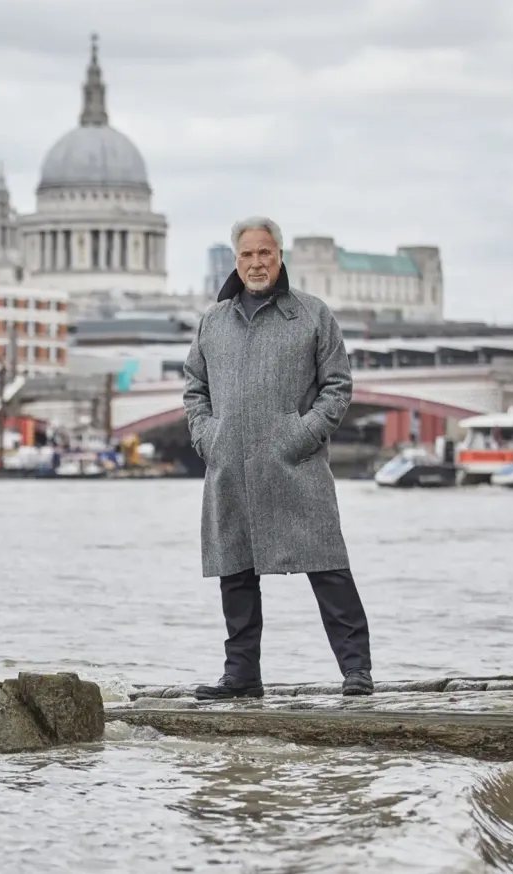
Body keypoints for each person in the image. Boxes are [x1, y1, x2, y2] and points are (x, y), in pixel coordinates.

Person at [182, 216, 374, 699]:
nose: (256, 263)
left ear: (280, 256)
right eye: (247, 254)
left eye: (264, 253)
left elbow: (337, 385)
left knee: (328, 567)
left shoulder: (312, 315)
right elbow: (194, 388)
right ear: (236, 261)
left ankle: (357, 670)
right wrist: (209, 437)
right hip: (230, 466)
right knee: (235, 574)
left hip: (296, 465)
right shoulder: (213, 321)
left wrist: (302, 434)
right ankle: (241, 676)